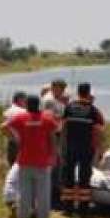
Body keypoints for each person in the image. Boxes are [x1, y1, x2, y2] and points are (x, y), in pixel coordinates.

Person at [3, 94, 59, 218]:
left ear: (27, 105)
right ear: (38, 104)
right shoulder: (47, 118)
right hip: (42, 161)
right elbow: (53, 137)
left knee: (24, 192)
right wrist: (53, 155)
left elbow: (4, 127)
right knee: (43, 193)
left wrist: (15, 139)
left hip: (24, 161)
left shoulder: (21, 117)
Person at [60, 83, 105, 210]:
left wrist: (62, 146)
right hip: (86, 148)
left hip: (70, 147)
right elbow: (98, 132)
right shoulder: (93, 110)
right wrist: (99, 149)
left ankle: (68, 205)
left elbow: (63, 128)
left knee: (68, 175)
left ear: (78, 92)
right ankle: (83, 206)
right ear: (89, 93)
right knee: (84, 176)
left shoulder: (69, 107)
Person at [41, 78, 69, 208]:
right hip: (52, 137)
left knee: (56, 166)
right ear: (54, 88)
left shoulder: (55, 99)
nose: (63, 91)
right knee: (54, 167)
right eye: (61, 88)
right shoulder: (49, 101)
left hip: (56, 135)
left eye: (63, 89)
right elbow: (48, 120)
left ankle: (54, 196)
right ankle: (53, 198)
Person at [3, 92, 28, 166]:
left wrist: (11, 136)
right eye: (25, 100)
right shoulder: (24, 111)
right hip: (22, 143)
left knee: (12, 166)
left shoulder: (7, 112)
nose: (26, 103)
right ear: (20, 100)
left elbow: (4, 128)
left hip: (11, 143)